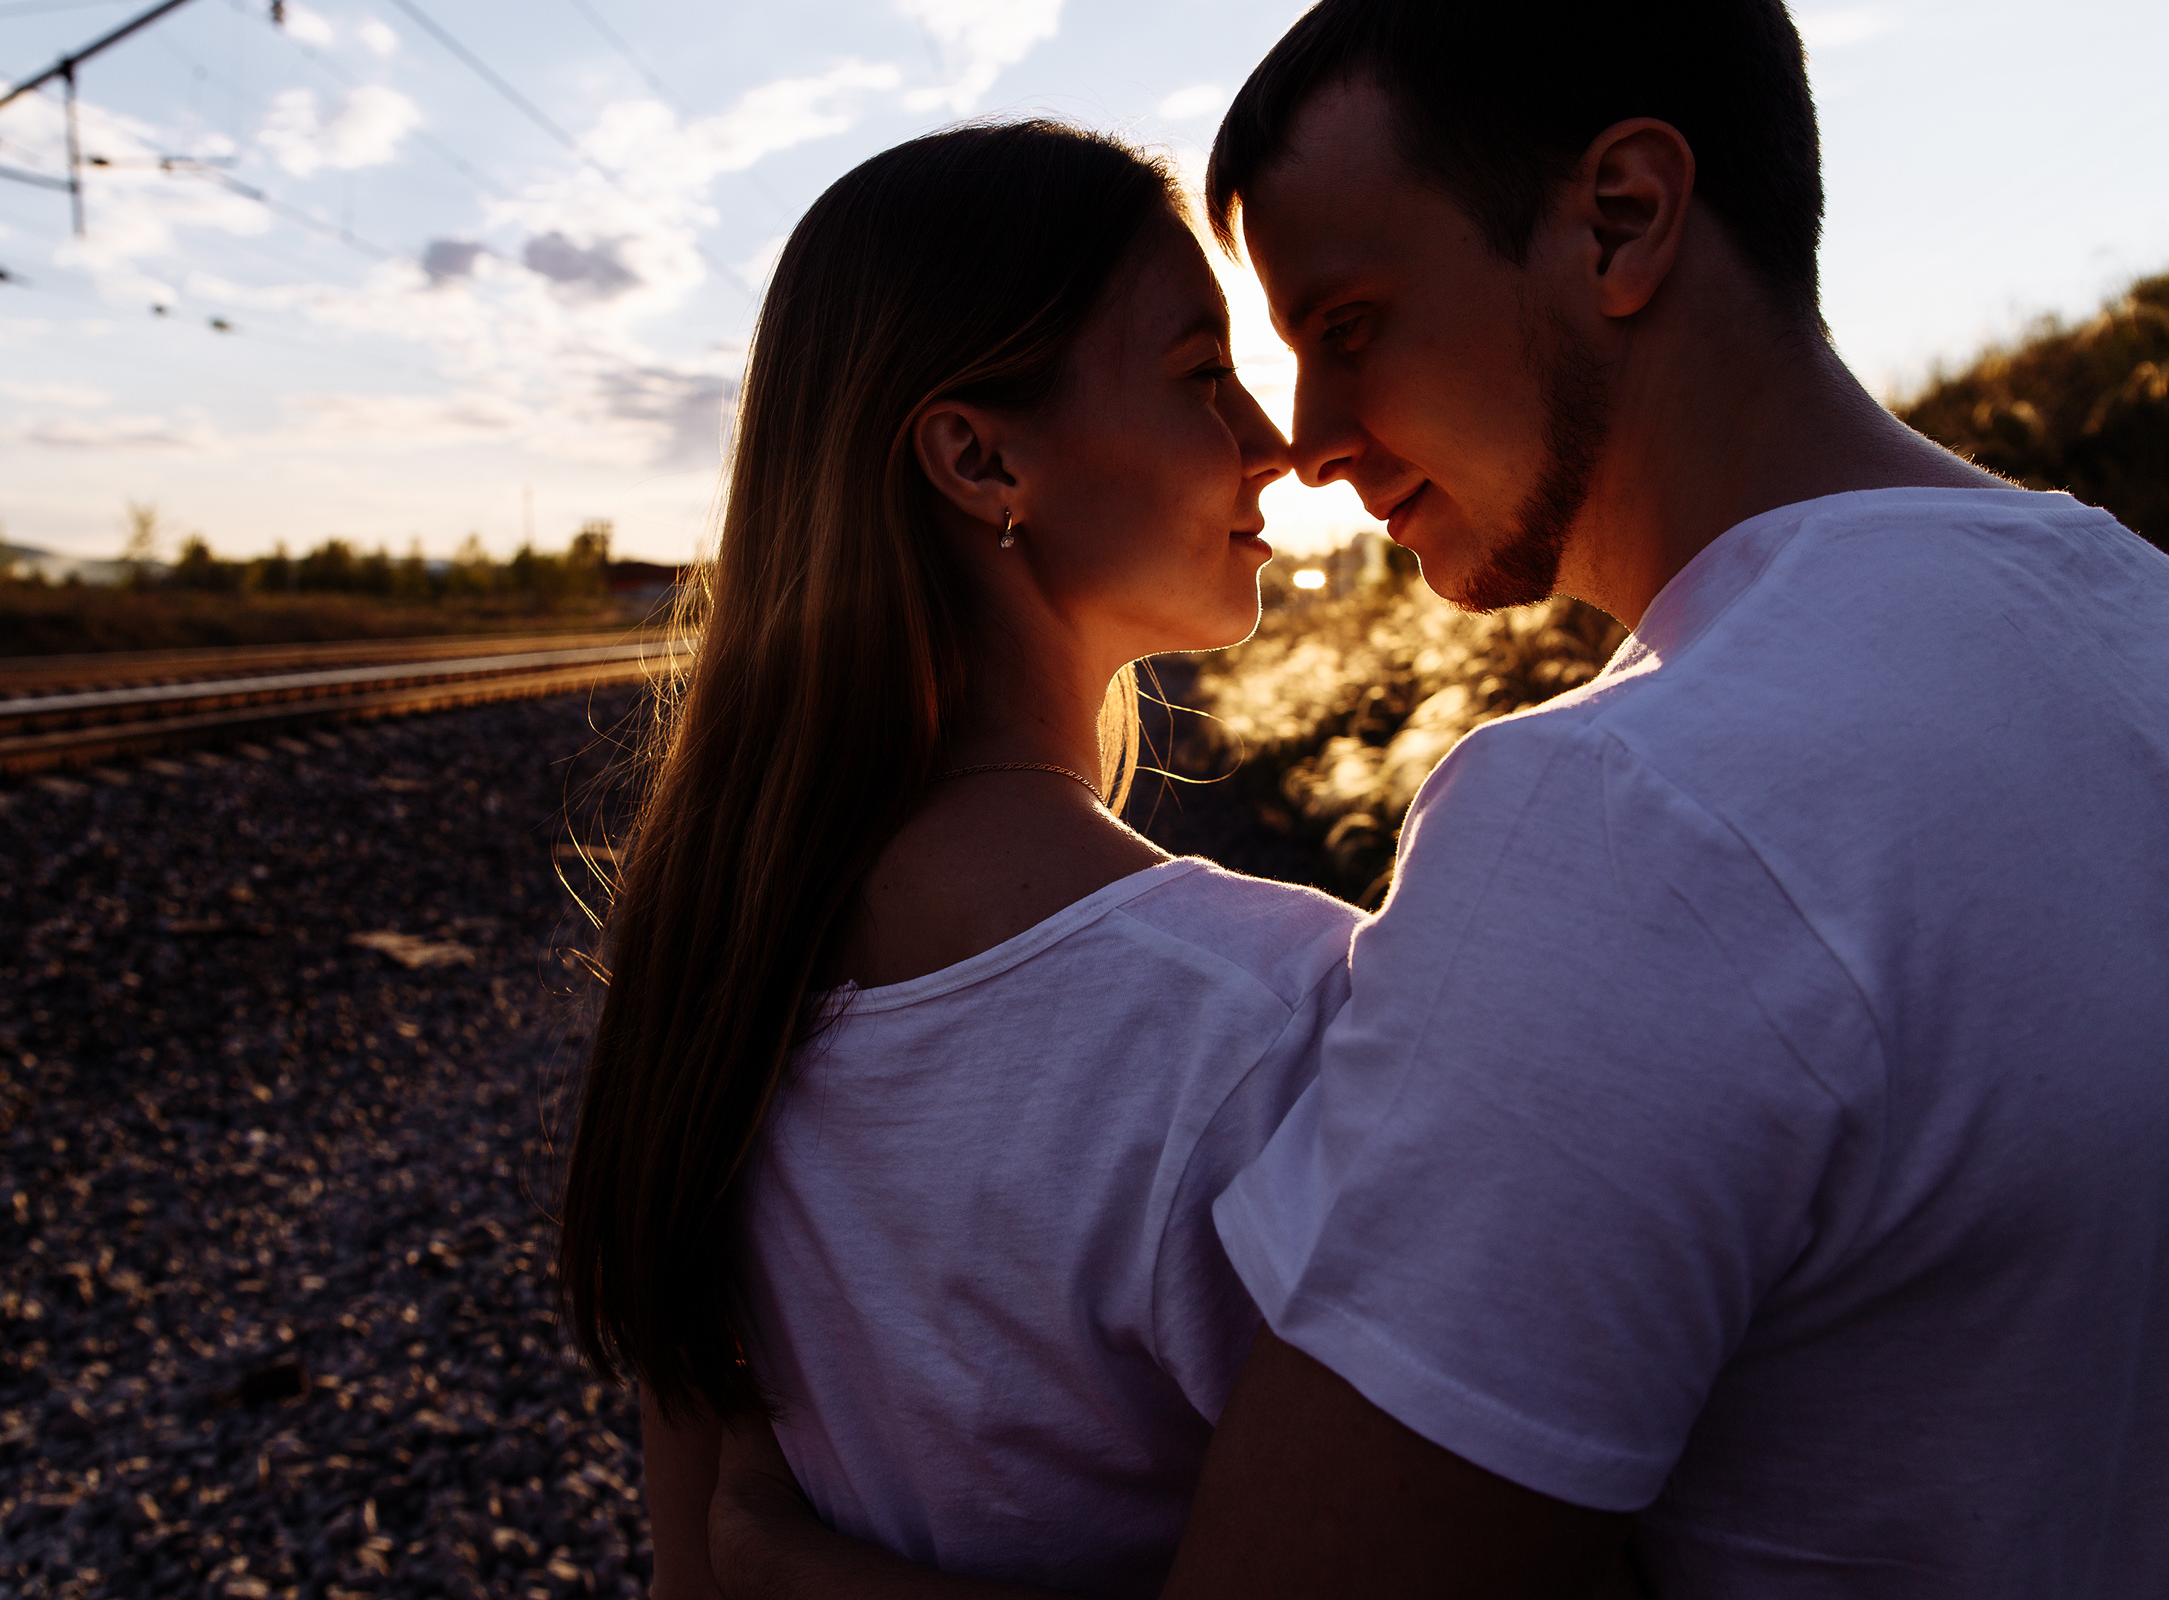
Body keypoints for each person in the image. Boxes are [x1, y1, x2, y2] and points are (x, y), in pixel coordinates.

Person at [708, 1, 2169, 1595]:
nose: (1310, 444)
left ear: (1621, 223)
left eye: (1347, 324)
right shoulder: (2135, 621)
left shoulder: (1620, 821)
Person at [553, 120, 1372, 1598]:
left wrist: (780, 1561)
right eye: (1203, 374)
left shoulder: (712, 969)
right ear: (979, 457)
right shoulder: (1265, 1018)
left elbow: (699, 1570)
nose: (1278, 443)